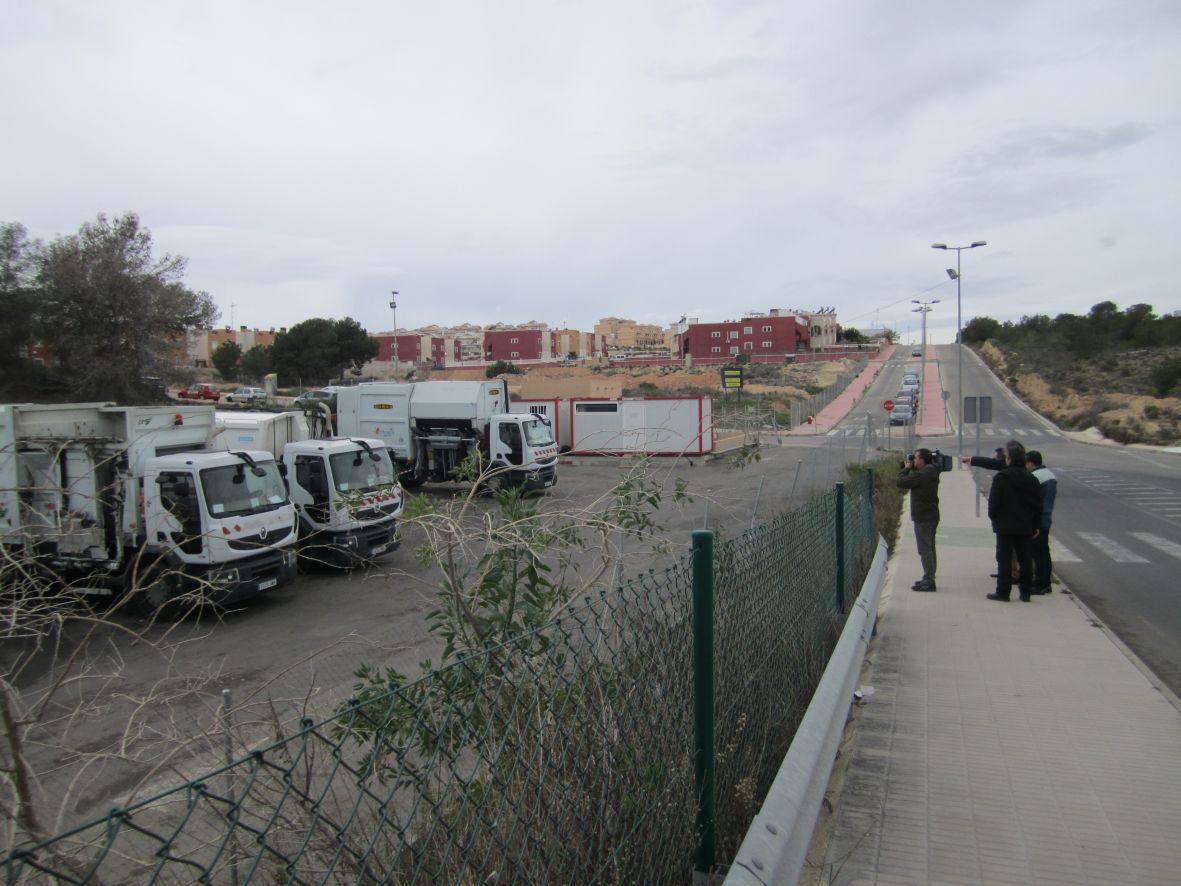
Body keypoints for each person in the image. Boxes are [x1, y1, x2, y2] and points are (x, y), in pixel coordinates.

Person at [986, 441, 1043, 602]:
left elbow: (994, 503)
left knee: (1004, 560)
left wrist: (995, 519)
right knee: (1025, 560)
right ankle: (1026, 593)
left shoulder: (1002, 477)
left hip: (1005, 526)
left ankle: (1003, 592)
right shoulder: (1031, 479)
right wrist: (1036, 524)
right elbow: (1037, 504)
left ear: (1009, 459)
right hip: (1025, 526)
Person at [897, 448, 941, 592]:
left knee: (924, 549)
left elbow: (901, 482)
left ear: (922, 460)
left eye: (915, 458)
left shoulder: (922, 475)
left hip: (923, 517)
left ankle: (929, 580)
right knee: (930, 547)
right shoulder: (931, 471)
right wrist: (910, 468)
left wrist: (906, 469)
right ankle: (929, 577)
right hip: (931, 515)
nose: (914, 461)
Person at [1026, 450, 1057, 595]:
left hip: (1038, 518)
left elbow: (1033, 501)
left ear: (1031, 463)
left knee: (1037, 553)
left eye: (1026, 463)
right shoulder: (1050, 474)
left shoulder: (1035, 477)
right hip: (1047, 516)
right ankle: (1046, 583)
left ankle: (1039, 585)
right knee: (1044, 552)